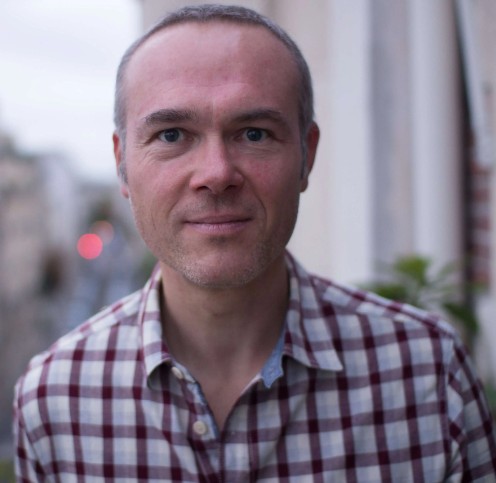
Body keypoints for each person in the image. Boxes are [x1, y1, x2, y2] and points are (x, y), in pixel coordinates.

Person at [13, 4, 496, 482]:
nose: (216, 173)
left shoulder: (428, 376)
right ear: (122, 164)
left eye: (254, 133)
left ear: (307, 155)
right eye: (172, 135)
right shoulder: (54, 400)